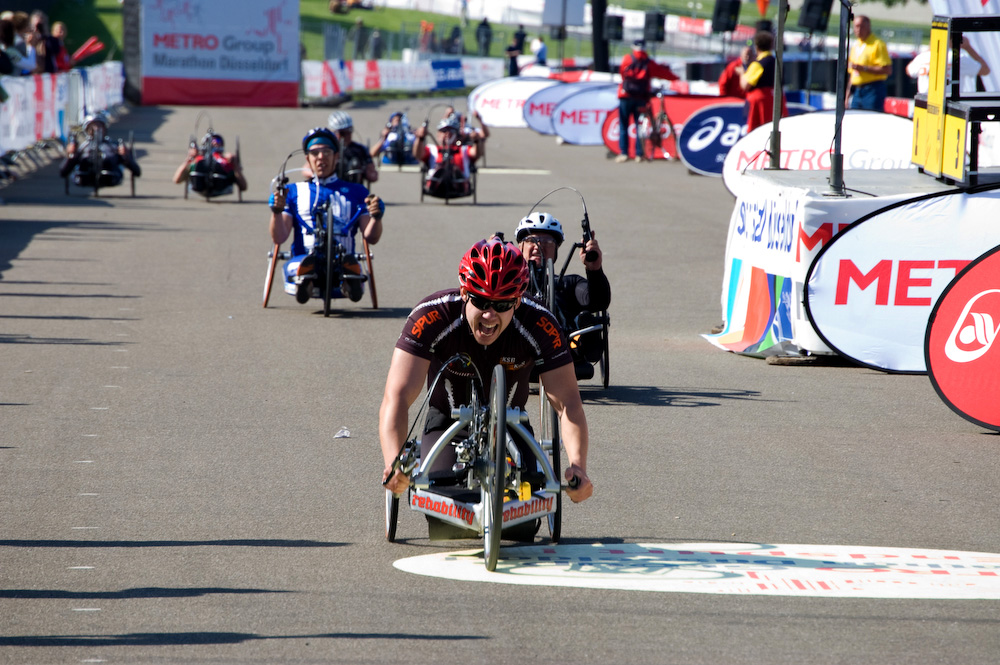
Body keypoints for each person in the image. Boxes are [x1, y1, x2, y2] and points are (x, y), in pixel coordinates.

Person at [379, 235, 594, 509]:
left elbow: (568, 404)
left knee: (523, 522)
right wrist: (393, 461)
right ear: (465, 293)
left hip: (512, 424)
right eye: (481, 301)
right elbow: (396, 396)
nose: (490, 315)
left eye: (503, 304)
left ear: (517, 302)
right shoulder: (432, 315)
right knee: (441, 500)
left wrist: (578, 466)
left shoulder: (539, 323)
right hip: (447, 421)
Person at [269, 127, 384, 304]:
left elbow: (371, 237)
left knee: (349, 264)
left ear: (337, 156)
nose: (321, 157)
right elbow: (280, 236)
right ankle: (306, 283)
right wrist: (277, 212)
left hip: (344, 258)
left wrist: (376, 217)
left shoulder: (357, 191)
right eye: (315, 153)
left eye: (327, 152)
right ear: (308, 159)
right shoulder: (292, 192)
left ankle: (347, 282)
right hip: (304, 257)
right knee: (300, 265)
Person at [516, 212, 611, 381]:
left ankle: (581, 338)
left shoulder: (569, 283)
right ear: (520, 246)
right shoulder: (510, 284)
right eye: (531, 240)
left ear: (556, 249)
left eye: (547, 242)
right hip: (517, 354)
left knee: (588, 317)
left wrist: (594, 270)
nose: (538, 246)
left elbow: (599, 302)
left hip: (565, 354)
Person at [615, 38, 679, 163]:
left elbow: (622, 73)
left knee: (623, 125)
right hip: (641, 97)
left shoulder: (627, 59)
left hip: (625, 95)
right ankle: (640, 154)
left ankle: (624, 153)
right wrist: (676, 78)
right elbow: (663, 73)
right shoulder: (648, 62)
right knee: (640, 127)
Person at [59, 113, 141, 188]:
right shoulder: (83, 147)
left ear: (104, 128)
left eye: (99, 126)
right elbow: (63, 172)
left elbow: (137, 171)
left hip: (111, 177)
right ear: (87, 129)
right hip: (84, 178)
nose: (96, 129)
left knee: (110, 157)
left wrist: (125, 156)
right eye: (93, 126)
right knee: (82, 157)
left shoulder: (113, 145)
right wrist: (71, 155)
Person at [413, 115, 479, 198]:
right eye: (444, 131)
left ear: (456, 134)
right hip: (435, 185)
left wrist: (477, 141)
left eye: (451, 131)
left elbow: (477, 153)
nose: (447, 134)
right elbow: (417, 154)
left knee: (454, 169)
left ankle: (453, 173)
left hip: (459, 185)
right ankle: (441, 173)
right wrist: (420, 138)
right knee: (441, 169)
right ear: (438, 134)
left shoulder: (464, 149)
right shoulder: (431, 149)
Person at [906, 35, 990, 95]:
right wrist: (968, 47)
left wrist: (930, 47)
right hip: (949, 105)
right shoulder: (958, 57)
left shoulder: (923, 57)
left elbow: (909, 71)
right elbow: (985, 70)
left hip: (925, 104)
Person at [740, 30, 787, 133]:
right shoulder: (777, 62)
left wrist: (742, 70)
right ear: (771, 45)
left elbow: (745, 85)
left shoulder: (758, 64)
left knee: (757, 131)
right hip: (777, 100)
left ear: (756, 46)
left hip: (761, 103)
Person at [172, 132, 247, 197]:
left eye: (217, 140)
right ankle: (203, 173)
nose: (214, 142)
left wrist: (235, 165)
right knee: (199, 164)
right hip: (199, 181)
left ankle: (215, 172)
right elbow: (176, 180)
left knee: (220, 166)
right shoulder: (197, 159)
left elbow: (244, 187)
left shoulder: (226, 160)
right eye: (210, 140)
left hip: (221, 184)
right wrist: (188, 159)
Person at [848, 15, 892, 112]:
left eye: (861, 26)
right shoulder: (856, 45)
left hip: (873, 89)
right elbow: (852, 74)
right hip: (857, 90)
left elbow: (887, 70)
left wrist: (864, 68)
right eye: (856, 26)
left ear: (868, 27)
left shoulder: (877, 44)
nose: (858, 30)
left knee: (870, 117)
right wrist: (847, 96)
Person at [325, 111, 378, 185]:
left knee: (355, 162)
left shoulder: (361, 149)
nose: (346, 136)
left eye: (349, 131)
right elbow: (308, 171)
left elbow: (373, 176)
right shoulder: (326, 149)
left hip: (354, 190)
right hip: (332, 190)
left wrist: (363, 169)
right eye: (342, 133)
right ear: (332, 132)